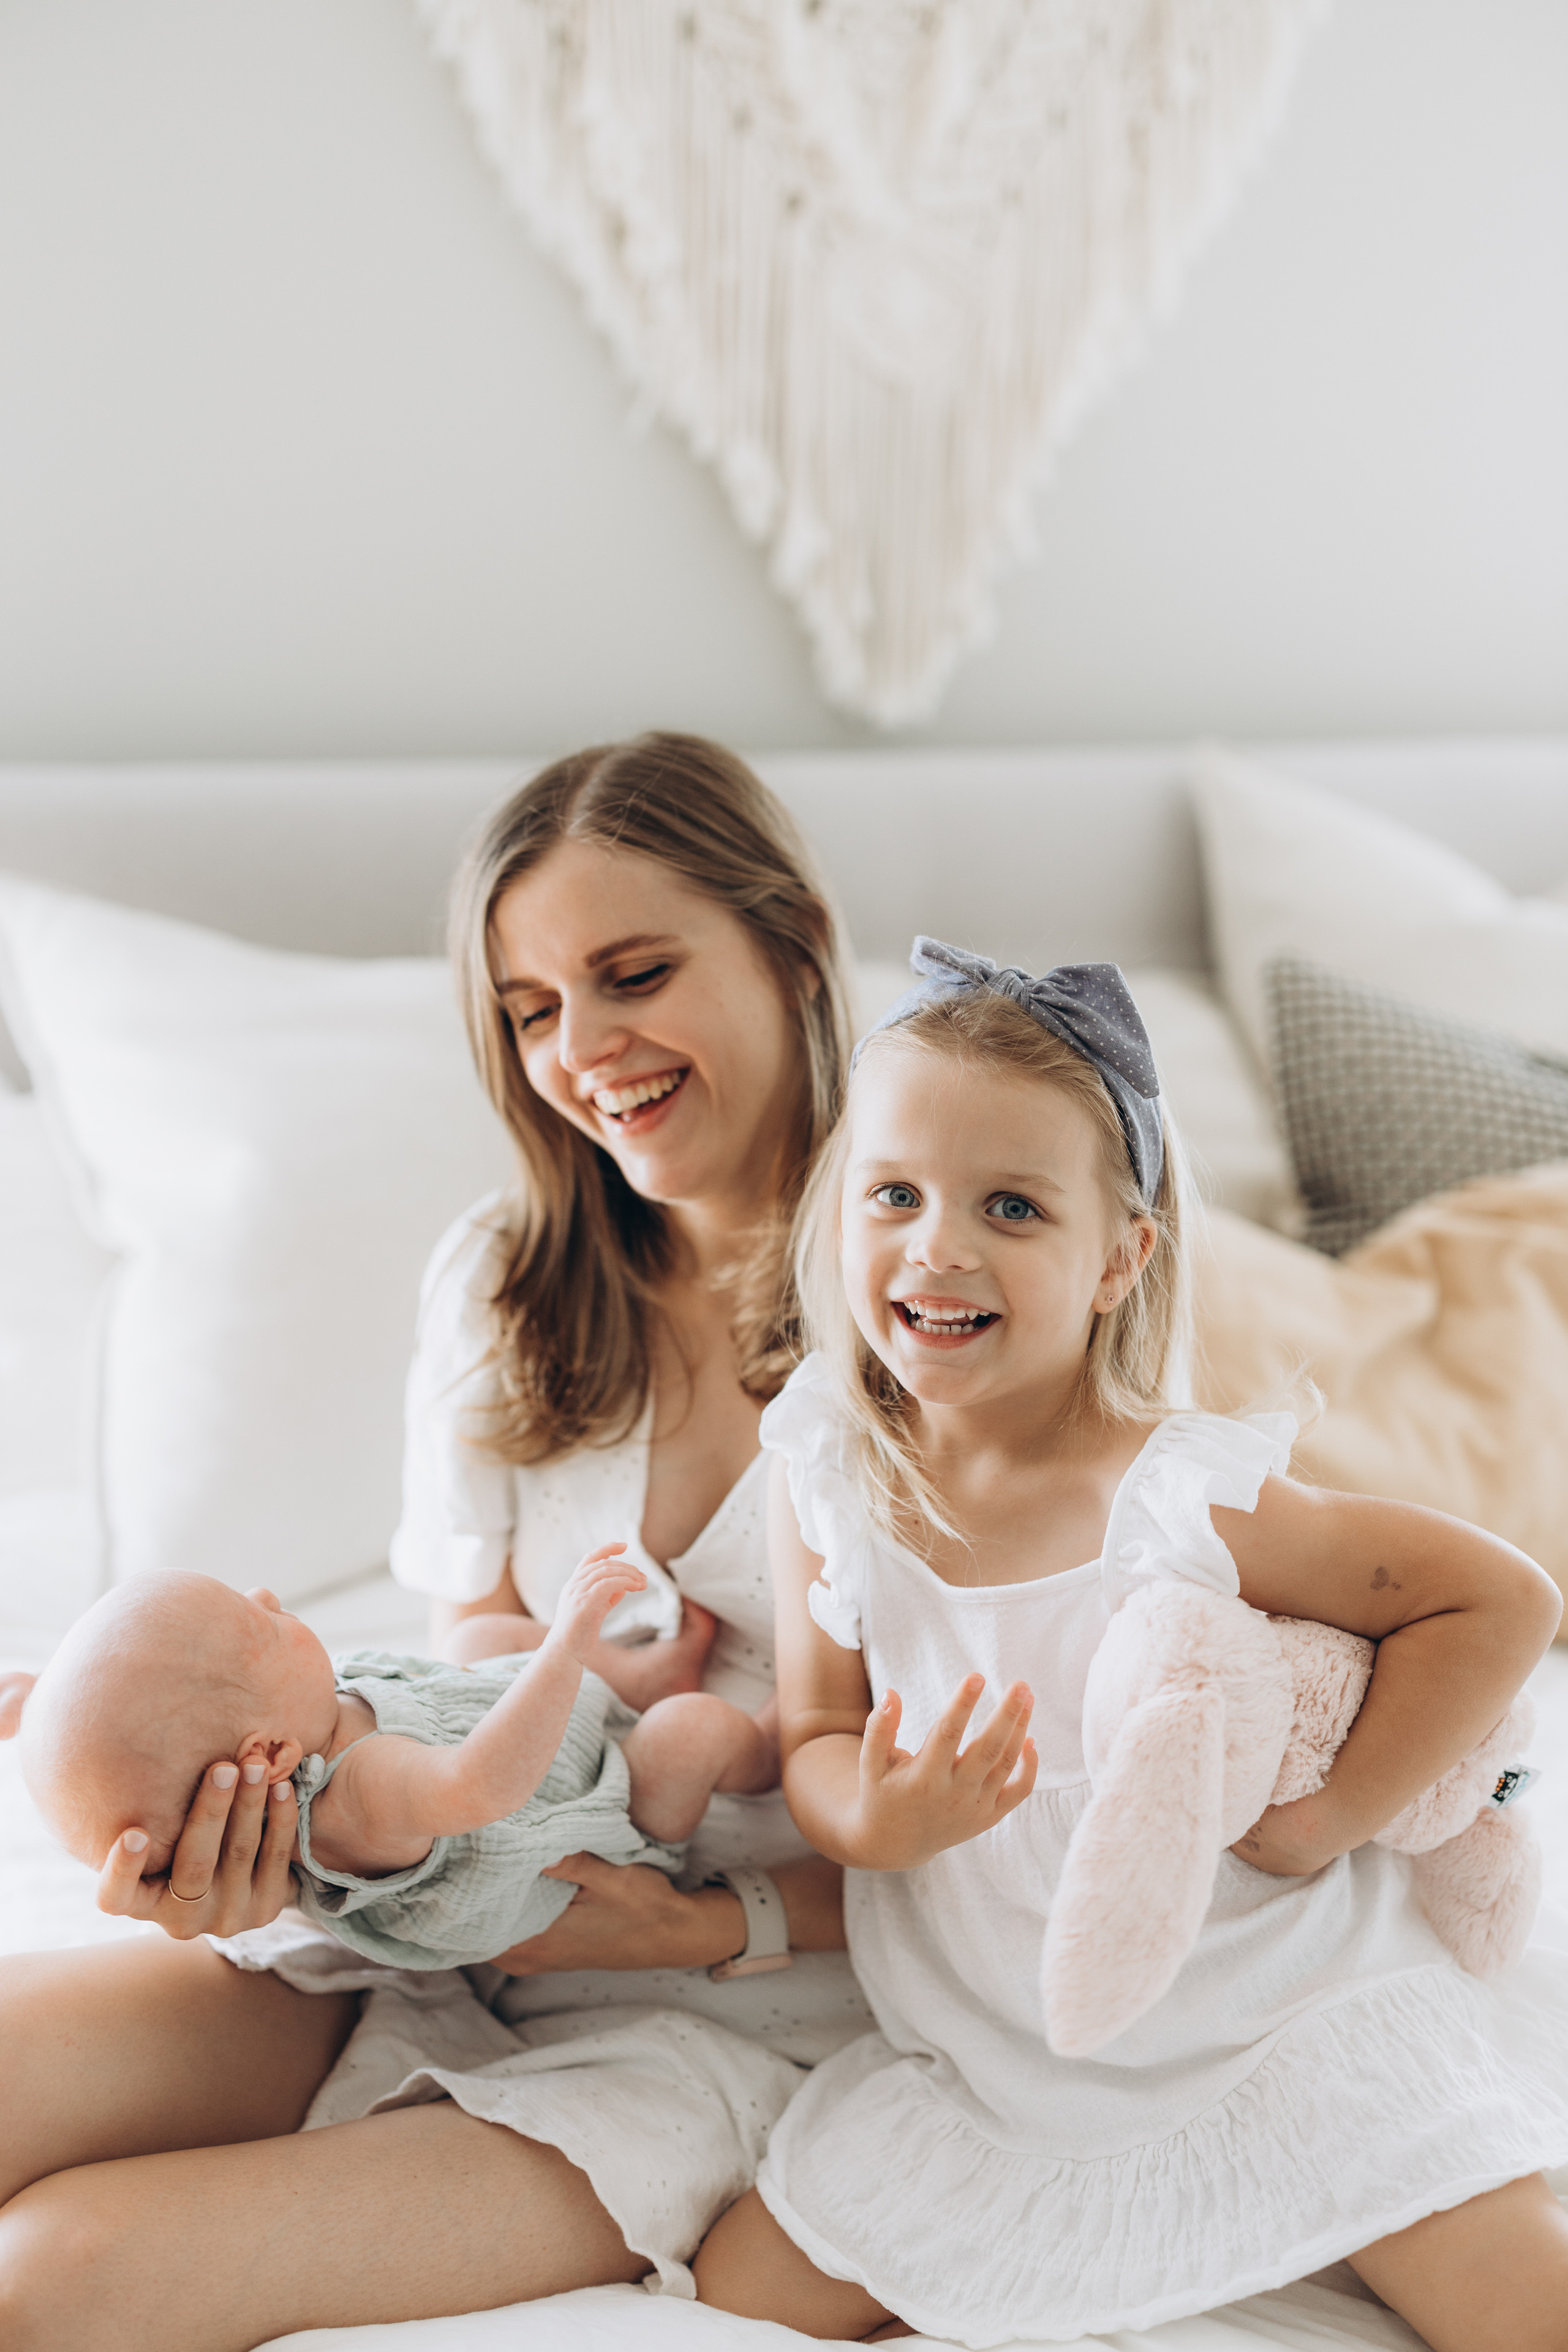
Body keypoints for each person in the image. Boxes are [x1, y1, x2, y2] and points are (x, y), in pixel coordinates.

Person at [0, 734, 870, 2350]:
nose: (587, 1050)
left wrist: (700, 1922)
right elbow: (461, 1649)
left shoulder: (935, 1302)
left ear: (793, 937)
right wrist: (296, 1844)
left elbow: (1029, 1820)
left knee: (50, 2284)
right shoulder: (504, 1282)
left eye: (633, 974)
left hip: (736, 2025)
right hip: (436, 1941)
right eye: (533, 1010)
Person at [695, 940, 1568, 2352]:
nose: (938, 1244)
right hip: (1010, 2059)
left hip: (1270, 2022)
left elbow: (1503, 1602)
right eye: (895, 1194)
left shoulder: (1173, 1492)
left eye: (1011, 1206)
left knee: (1521, 2308)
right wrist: (877, 1814)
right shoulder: (829, 1476)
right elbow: (813, 1736)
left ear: (1117, 1260)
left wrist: (1325, 1815)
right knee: (741, 2293)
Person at [21, 1554, 780, 1971]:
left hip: (516, 1730)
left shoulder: (300, 1717)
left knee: (477, 1641)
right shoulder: (362, 1795)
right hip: (592, 1813)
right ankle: (772, 1752)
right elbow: (483, 1784)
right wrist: (566, 1643)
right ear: (269, 1756)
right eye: (258, 1622)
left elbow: (121, 1726)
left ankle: (635, 1680)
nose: (266, 1590)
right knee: (691, 1731)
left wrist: (41, 1704)